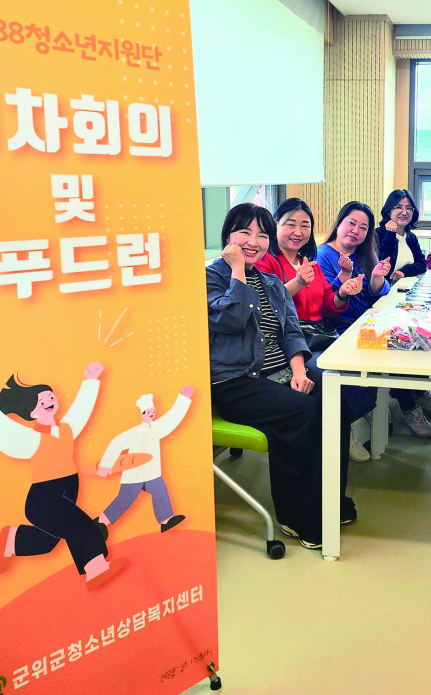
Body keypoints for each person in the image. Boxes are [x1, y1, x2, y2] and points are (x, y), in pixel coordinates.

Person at [207, 203, 353, 550]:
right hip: (235, 382)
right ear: (227, 236)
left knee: (337, 402)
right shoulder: (211, 277)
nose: (253, 241)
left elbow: (291, 332)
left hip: (280, 372)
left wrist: (299, 371)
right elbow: (232, 319)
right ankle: (297, 516)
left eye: (261, 235)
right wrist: (238, 270)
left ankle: (329, 498)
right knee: (302, 413)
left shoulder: (271, 282)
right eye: (244, 232)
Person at [258, 198, 370, 462]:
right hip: (287, 342)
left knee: (363, 361)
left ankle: (342, 424)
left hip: (319, 335)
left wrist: (343, 292)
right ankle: (338, 431)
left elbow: (330, 305)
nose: (298, 232)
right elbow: (265, 307)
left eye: (305, 225)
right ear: (275, 226)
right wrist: (297, 282)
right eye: (290, 224)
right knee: (329, 375)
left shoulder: (309, 262)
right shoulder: (266, 262)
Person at [317, 202, 431, 438]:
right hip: (342, 327)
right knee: (395, 347)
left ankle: (415, 392)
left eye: (363, 228)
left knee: (413, 332)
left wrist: (376, 278)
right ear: (339, 223)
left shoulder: (365, 253)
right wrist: (345, 283)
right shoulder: (323, 255)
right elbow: (329, 303)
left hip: (368, 319)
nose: (356, 231)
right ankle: (407, 407)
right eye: (351, 223)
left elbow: (378, 293)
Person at [0, 364, 124, 589]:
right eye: (42, 401)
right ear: (33, 412)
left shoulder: (66, 428)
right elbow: (8, 433)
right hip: (44, 498)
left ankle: (10, 540)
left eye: (50, 397)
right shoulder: (32, 439)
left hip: (66, 491)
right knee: (80, 525)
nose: (48, 401)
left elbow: (80, 411)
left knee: (46, 542)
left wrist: (90, 380)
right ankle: (96, 570)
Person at [376, 190, 431, 421]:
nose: (403, 212)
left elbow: (421, 264)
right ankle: (408, 406)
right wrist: (390, 234)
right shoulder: (379, 234)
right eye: (398, 207)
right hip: (383, 297)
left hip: (408, 296)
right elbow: (382, 262)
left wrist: (403, 272)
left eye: (408, 208)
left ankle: (419, 391)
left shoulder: (411, 236)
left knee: (422, 338)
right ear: (388, 210)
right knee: (401, 345)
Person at [93, 387, 194, 539]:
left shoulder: (157, 428)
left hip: (152, 473)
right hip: (134, 474)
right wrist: (106, 464)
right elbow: (116, 443)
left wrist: (183, 399)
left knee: (160, 491)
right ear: (142, 414)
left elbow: (171, 420)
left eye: (153, 411)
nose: (151, 414)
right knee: (125, 499)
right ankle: (101, 522)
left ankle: (166, 520)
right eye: (148, 412)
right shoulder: (135, 432)